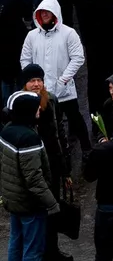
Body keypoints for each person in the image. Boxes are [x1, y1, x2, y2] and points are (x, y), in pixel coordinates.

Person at [0, 89, 59, 261]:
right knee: (33, 251)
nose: (39, 110)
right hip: (31, 204)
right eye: (36, 108)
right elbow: (34, 179)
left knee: (15, 243)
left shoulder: (7, 131)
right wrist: (52, 203)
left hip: (14, 200)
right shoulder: (28, 138)